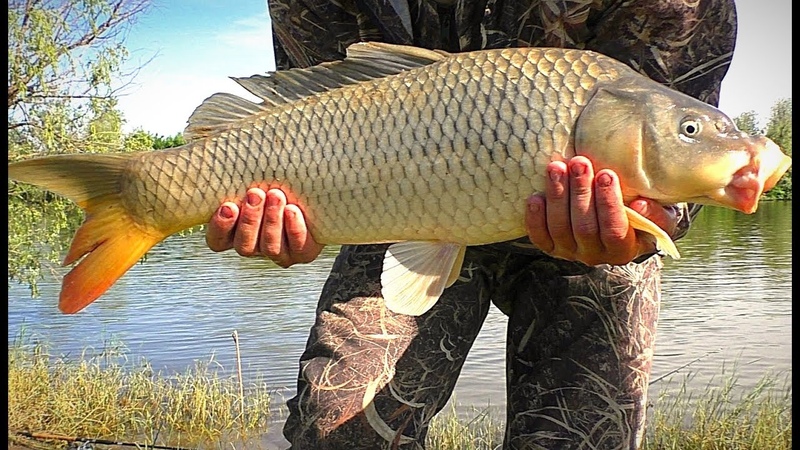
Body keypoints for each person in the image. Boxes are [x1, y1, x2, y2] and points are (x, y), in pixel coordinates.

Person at [205, 1, 737, 448]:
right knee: (336, 429)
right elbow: (315, 105)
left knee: (581, 435)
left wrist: (646, 226)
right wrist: (293, 223)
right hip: (405, 215)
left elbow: (675, 147)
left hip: (591, 231)